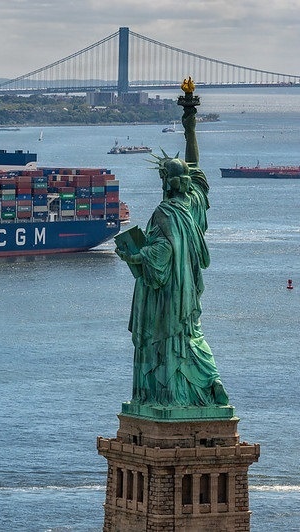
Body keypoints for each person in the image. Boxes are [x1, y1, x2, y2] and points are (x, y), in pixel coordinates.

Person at [115, 90, 229, 408]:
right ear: (186, 183)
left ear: (166, 181)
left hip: (166, 293)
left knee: (167, 339)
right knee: (191, 333)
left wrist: (135, 255)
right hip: (188, 290)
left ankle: (167, 394)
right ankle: (210, 380)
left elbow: (160, 253)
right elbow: (193, 165)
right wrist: (190, 126)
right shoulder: (192, 203)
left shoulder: (164, 213)